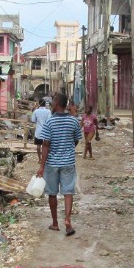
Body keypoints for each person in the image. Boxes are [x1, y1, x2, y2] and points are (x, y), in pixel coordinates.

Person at [37, 92, 82, 236]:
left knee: (52, 193)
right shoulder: (73, 121)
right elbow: (76, 140)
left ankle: (55, 223)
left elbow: (45, 145)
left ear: (57, 104)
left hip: (51, 164)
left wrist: (42, 166)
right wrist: (68, 148)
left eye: (53, 101)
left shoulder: (50, 122)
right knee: (68, 192)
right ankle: (68, 221)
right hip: (68, 162)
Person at [30, 97, 52, 162]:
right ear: (45, 104)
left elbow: (33, 120)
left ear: (39, 104)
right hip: (46, 131)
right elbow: (50, 121)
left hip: (38, 131)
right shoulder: (48, 111)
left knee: (38, 146)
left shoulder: (36, 111)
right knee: (46, 146)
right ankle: (45, 159)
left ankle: (40, 159)